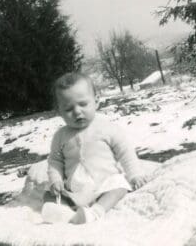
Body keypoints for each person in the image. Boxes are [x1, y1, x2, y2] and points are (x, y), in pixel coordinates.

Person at [44, 72, 149, 224]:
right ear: (59, 111)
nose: (77, 112)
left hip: (104, 184)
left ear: (96, 101)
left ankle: (95, 212)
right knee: (48, 193)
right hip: (76, 189)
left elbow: (125, 152)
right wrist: (56, 180)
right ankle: (63, 213)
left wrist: (135, 175)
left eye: (83, 104)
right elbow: (55, 161)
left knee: (120, 186)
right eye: (68, 109)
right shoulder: (61, 136)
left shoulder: (107, 128)